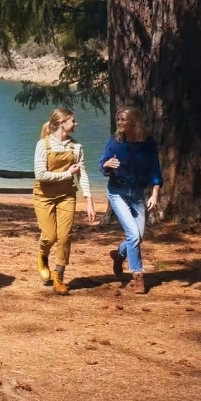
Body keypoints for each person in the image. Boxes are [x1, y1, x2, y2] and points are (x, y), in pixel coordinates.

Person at [99, 106, 163, 294]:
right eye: (118, 119)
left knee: (139, 236)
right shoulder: (115, 142)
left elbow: (154, 169)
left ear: (134, 121)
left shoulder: (147, 143)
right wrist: (107, 165)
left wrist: (154, 193)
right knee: (134, 236)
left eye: (123, 119)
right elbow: (103, 163)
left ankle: (119, 255)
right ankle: (138, 276)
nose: (119, 122)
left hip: (136, 195)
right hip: (117, 193)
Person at [32, 108, 96, 295]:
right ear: (62, 123)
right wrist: (67, 173)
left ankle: (59, 276)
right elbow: (41, 175)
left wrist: (89, 201)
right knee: (50, 236)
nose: (76, 124)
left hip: (67, 195)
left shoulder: (76, 147)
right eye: (73, 121)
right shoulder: (42, 145)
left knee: (65, 236)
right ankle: (43, 256)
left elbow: (82, 175)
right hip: (43, 196)